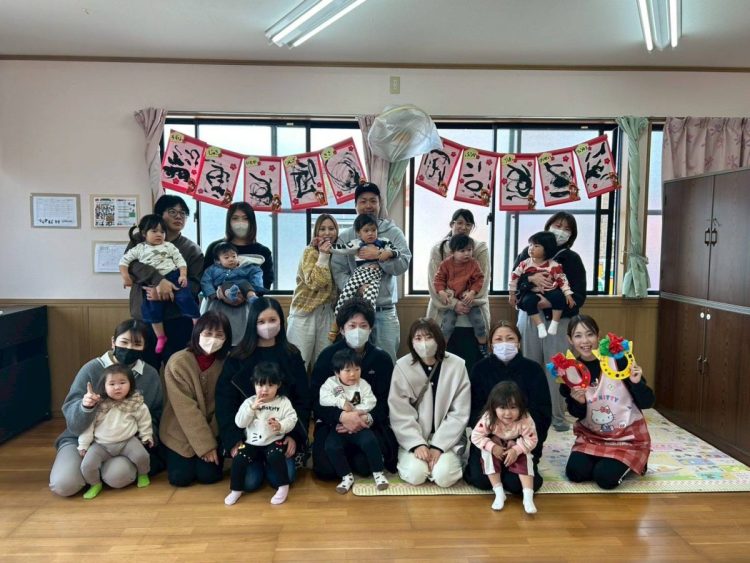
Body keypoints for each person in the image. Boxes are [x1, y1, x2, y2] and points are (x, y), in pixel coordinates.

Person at [49, 319, 164, 497]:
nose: (129, 348)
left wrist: (143, 437)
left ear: (144, 347)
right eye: (124, 342)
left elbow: (155, 413)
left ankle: (98, 474)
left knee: (118, 477)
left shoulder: (149, 374)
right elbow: (72, 415)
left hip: (123, 441)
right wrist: (85, 407)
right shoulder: (91, 369)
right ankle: (88, 472)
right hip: (81, 438)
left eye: (137, 344)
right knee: (64, 485)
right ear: (113, 341)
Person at [215, 298, 310, 492]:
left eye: (272, 320)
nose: (267, 326)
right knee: (248, 482)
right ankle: (258, 461)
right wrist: (234, 440)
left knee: (284, 477)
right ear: (253, 323)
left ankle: (272, 460)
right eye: (261, 321)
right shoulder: (237, 357)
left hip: (279, 435)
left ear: (281, 321)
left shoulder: (291, 354)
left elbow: (303, 399)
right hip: (248, 436)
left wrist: (294, 436)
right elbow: (225, 401)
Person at [513, 211, 587, 432]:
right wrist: (530, 279)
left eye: (566, 229)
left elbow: (579, 296)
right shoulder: (527, 253)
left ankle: (557, 416)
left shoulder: (572, 259)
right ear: (547, 227)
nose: (560, 231)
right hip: (530, 318)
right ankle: (527, 415)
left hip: (559, 321)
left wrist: (551, 302)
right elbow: (515, 285)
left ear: (572, 235)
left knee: (557, 370)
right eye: (557, 225)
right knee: (529, 366)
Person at [562, 315, 654, 490]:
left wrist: (637, 383)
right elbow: (576, 414)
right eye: (578, 336)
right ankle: (605, 460)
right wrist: (579, 402)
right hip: (591, 437)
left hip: (627, 438)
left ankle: (635, 462)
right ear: (570, 340)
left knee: (605, 479)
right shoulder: (571, 370)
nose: (585, 341)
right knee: (575, 473)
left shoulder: (618, 361)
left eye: (590, 334)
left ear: (598, 336)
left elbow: (648, 402)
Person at [310, 297, 398, 480]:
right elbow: (315, 400)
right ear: (342, 329)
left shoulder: (382, 360)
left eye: (363, 326)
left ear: (371, 328)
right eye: (352, 326)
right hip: (333, 423)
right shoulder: (327, 356)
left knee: (366, 466)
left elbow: (386, 402)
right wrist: (341, 417)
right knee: (325, 471)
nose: (358, 330)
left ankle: (354, 457)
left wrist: (366, 419)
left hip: (367, 422)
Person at [464, 321, 551, 494]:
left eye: (510, 338)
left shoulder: (533, 369)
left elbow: (542, 411)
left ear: (518, 342)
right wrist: (493, 437)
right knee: (481, 481)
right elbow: (473, 409)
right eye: (499, 339)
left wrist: (518, 440)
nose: (504, 343)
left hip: (522, 438)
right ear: (491, 344)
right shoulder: (480, 369)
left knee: (516, 485)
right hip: (490, 437)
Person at [331, 182, 411, 362]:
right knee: (353, 363)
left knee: (386, 362)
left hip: (385, 311)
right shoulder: (346, 236)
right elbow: (338, 271)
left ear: (380, 204)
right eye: (363, 201)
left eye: (373, 201)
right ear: (355, 205)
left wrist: (380, 256)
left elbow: (404, 263)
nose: (368, 205)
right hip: (354, 312)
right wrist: (357, 287)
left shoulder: (393, 232)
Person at [388, 318, 471, 488]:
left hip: (448, 438)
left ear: (438, 339)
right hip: (414, 435)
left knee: (444, 477)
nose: (424, 343)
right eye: (418, 338)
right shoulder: (402, 366)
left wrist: (438, 446)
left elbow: (459, 412)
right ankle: (416, 457)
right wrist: (417, 443)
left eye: (429, 337)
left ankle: (451, 459)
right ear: (411, 342)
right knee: (416, 474)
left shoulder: (457, 365)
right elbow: (399, 411)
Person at [125, 194, 203, 368]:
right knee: (143, 371)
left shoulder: (192, 249)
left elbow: (195, 284)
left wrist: (167, 291)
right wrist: (158, 280)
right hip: (144, 319)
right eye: (172, 211)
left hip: (178, 320)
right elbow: (131, 266)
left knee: (177, 371)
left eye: (183, 213)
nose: (178, 216)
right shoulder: (140, 239)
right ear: (159, 215)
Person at [160, 311, 232, 487]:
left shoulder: (228, 363)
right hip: (179, 430)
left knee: (209, 476)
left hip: (213, 429)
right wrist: (205, 446)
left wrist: (212, 441)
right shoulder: (178, 362)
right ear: (197, 332)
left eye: (219, 335)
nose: (213, 339)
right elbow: (185, 409)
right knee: (180, 478)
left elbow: (225, 404)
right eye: (208, 333)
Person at [225, 362, 298, 506]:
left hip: (273, 442)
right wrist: (251, 409)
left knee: (276, 456)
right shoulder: (249, 402)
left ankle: (283, 487)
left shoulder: (283, 402)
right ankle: (235, 490)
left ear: (278, 385)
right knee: (239, 458)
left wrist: (281, 426)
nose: (265, 389)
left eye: (270, 385)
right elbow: (239, 423)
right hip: (251, 443)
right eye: (260, 385)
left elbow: (292, 419)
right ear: (254, 384)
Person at [427, 209, 490, 372]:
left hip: (473, 318)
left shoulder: (479, 248)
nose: (463, 227)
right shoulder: (438, 249)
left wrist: (468, 299)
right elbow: (434, 284)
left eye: (468, 224)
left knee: (472, 369)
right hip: (443, 315)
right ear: (451, 224)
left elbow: (483, 283)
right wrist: (454, 304)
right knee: (443, 369)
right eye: (459, 223)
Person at [319, 348, 389, 493]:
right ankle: (346, 476)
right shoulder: (331, 383)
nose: (353, 374)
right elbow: (323, 399)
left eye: (357, 369)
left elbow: (371, 401)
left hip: (360, 425)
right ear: (337, 372)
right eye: (347, 370)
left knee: (370, 441)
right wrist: (341, 403)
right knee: (331, 446)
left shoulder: (363, 384)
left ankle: (378, 473)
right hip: (340, 427)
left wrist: (357, 413)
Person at [203, 202, 274, 345]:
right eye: (235, 218)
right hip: (217, 308)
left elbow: (267, 281)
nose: (240, 223)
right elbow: (204, 278)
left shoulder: (262, 251)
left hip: (248, 309)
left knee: (245, 348)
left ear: (252, 222)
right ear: (228, 221)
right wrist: (221, 294)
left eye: (245, 218)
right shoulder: (215, 248)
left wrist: (246, 295)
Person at [77, 365, 153, 499]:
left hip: (127, 441)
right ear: (104, 386)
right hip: (101, 444)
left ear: (131, 384)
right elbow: (88, 427)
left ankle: (143, 474)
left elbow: (144, 421)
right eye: (112, 384)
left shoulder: (135, 403)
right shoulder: (98, 405)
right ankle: (95, 484)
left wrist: (146, 436)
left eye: (122, 383)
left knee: (142, 456)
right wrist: (83, 445)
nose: (117, 387)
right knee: (87, 465)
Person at [471, 381, 538, 513]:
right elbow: (475, 436)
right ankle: (499, 492)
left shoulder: (525, 419)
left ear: (520, 407)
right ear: (494, 407)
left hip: (516, 444)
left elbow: (532, 439)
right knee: (487, 455)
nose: (508, 413)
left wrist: (516, 450)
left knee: (526, 458)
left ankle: (528, 497)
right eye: (502, 407)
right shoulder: (489, 418)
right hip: (496, 444)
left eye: (513, 407)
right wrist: (492, 447)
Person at [286, 213, 339, 369]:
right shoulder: (309, 252)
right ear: (316, 232)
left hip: (327, 313)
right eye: (322, 229)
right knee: (297, 364)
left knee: (324, 365)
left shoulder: (338, 254)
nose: (327, 232)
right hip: (304, 314)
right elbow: (316, 282)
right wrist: (323, 255)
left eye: (331, 228)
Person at [329, 213, 400, 328]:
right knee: (346, 294)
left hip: (375, 276)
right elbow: (342, 249)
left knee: (370, 301)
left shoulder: (383, 242)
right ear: (359, 232)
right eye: (366, 230)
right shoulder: (356, 243)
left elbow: (396, 251)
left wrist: (386, 253)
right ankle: (336, 324)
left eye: (373, 230)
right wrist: (329, 247)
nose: (370, 233)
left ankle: (368, 326)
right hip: (359, 275)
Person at [509, 231, 576, 339]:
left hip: (550, 290)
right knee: (527, 301)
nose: (531, 248)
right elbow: (514, 278)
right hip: (532, 291)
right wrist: (512, 294)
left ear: (546, 250)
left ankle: (554, 323)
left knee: (559, 298)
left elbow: (562, 280)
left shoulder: (554, 265)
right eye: (530, 245)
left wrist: (568, 295)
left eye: (536, 246)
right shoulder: (524, 264)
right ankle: (540, 326)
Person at [433, 233, 488, 356]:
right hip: (452, 300)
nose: (467, 253)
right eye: (462, 251)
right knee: (447, 326)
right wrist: (441, 291)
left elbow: (480, 279)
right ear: (452, 252)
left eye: (469, 250)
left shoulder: (474, 264)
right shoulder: (446, 264)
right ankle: (442, 349)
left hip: (469, 300)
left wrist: (472, 292)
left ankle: (483, 347)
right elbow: (438, 279)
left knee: (479, 323)